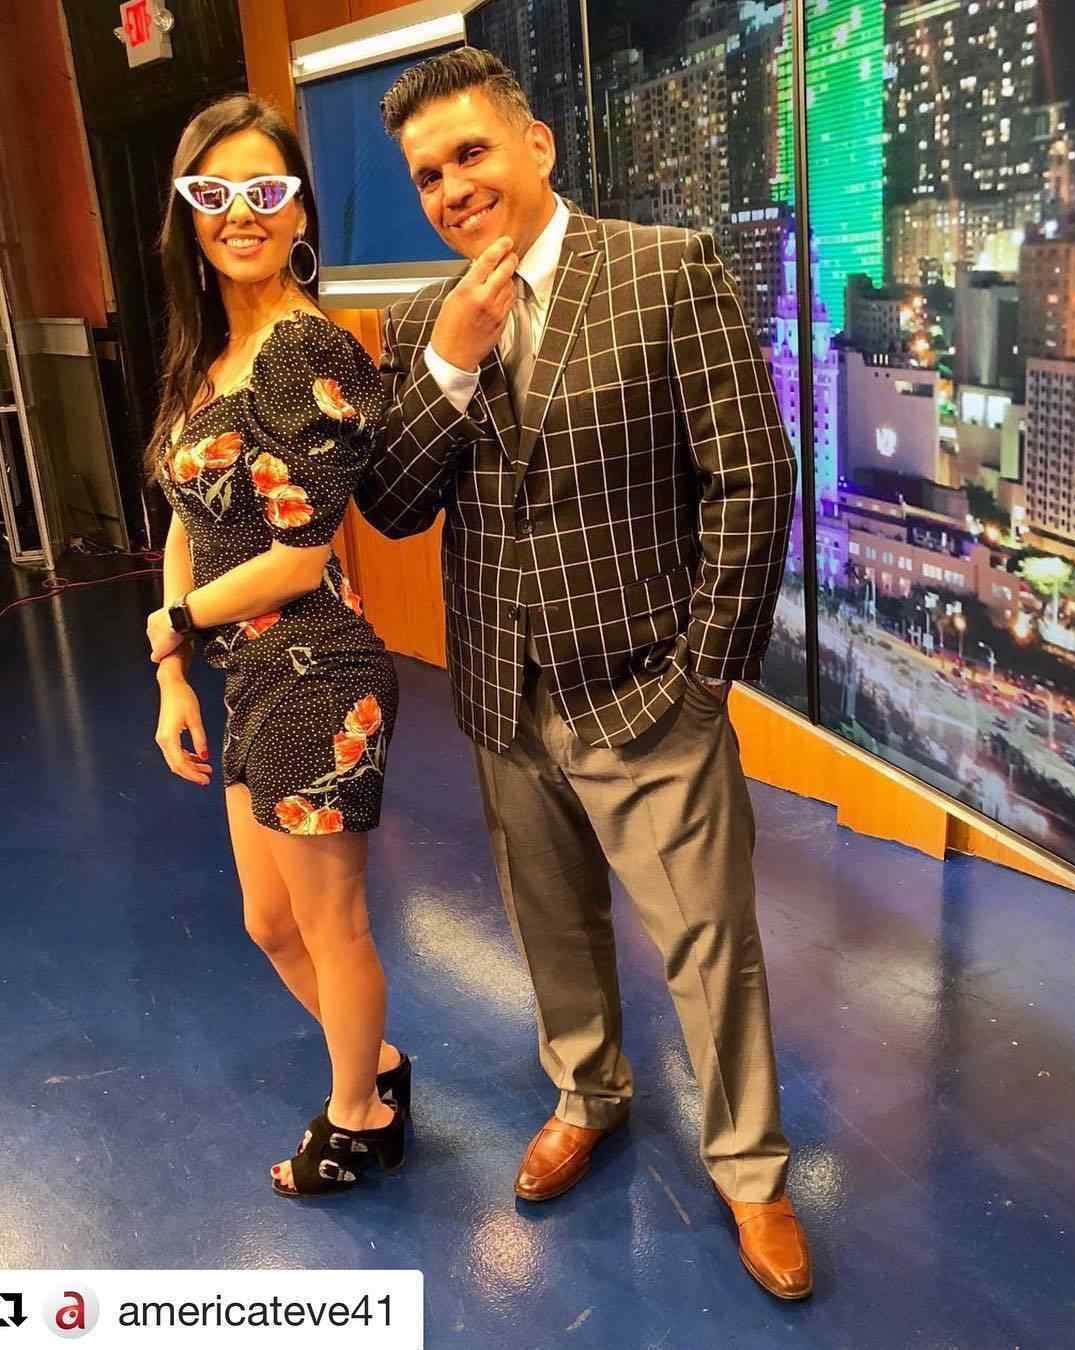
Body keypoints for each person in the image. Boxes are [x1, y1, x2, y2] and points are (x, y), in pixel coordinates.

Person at [355, 49, 811, 1299]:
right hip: (503, 699)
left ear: (536, 144)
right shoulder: (422, 324)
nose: (454, 187)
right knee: (548, 925)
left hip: (648, 691)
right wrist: (451, 364)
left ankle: (751, 1170)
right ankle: (588, 1092)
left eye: (471, 153)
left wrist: (703, 676)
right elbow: (393, 506)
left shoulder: (665, 269)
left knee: (709, 945)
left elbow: (752, 478)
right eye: (429, 174)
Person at [145, 95, 409, 1198]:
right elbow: (185, 519)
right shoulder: (211, 358)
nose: (240, 212)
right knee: (268, 922)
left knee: (329, 921)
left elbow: (301, 558)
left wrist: (175, 623)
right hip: (245, 675)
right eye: (215, 192)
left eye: (265, 190)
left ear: (298, 210)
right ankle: (377, 1065)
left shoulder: (304, 348)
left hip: (318, 671)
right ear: (187, 213)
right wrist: (172, 672)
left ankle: (359, 1118)